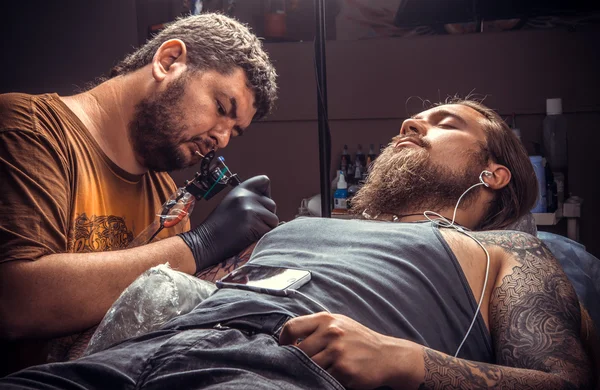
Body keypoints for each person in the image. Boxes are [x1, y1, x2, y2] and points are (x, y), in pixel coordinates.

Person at [1, 100, 595, 389]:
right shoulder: (296, 227)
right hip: (141, 352)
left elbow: (566, 384)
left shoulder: (505, 255)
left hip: (277, 369)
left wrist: (406, 361)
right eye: (412, 119)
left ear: (494, 174)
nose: (411, 125)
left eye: (445, 122)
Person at [0, 13, 278, 374]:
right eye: (222, 108)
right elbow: (17, 303)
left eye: (233, 132)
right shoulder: (29, 128)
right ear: (168, 61)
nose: (221, 139)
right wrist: (201, 244)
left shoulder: (164, 190)